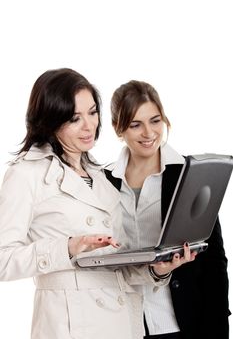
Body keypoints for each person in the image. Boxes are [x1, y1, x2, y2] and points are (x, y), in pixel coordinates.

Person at [0, 69, 195, 339]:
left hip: (120, 323)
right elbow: (3, 259)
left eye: (92, 112)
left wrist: (156, 270)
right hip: (69, 326)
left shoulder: (100, 176)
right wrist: (67, 247)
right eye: (74, 118)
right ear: (50, 120)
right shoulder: (27, 174)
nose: (89, 126)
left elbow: (114, 268)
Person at [106, 80, 231, 339]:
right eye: (135, 124)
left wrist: (219, 327)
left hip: (179, 324)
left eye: (155, 120)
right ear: (118, 128)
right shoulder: (104, 181)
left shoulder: (189, 174)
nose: (148, 133)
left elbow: (214, 259)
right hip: (124, 324)